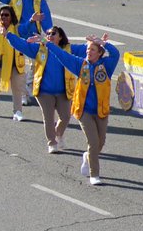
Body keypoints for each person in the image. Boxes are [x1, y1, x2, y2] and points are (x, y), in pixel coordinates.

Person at [45, 33, 120, 185]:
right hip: (84, 111)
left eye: (92, 49)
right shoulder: (81, 64)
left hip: (101, 111)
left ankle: (87, 157)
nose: (88, 52)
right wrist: (47, 43)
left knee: (100, 143)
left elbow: (116, 54)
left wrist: (104, 43)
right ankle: (94, 174)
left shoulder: (107, 66)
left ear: (99, 53)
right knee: (93, 142)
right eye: (87, 49)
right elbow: (63, 55)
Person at [4, 25, 87, 153]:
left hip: (64, 91)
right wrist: (8, 35)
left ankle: (58, 134)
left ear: (60, 37)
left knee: (65, 117)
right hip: (44, 92)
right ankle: (52, 142)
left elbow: (87, 49)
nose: (50, 36)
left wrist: (101, 44)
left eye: (53, 33)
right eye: (48, 34)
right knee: (48, 118)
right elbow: (22, 45)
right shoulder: (39, 49)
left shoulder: (69, 49)